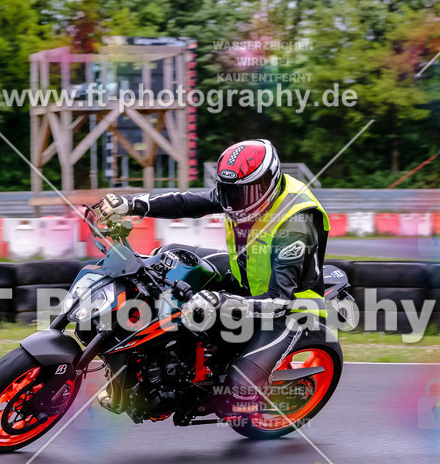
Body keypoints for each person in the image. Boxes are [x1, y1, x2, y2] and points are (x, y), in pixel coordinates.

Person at [94, 139, 330, 415]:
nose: (234, 200)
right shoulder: (240, 192)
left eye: (244, 192)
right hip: (247, 278)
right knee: (171, 257)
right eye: (228, 191)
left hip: (290, 308)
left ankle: (252, 394)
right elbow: (187, 203)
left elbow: (279, 301)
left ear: (270, 182)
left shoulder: (295, 225)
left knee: (238, 394)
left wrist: (221, 302)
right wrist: (132, 204)